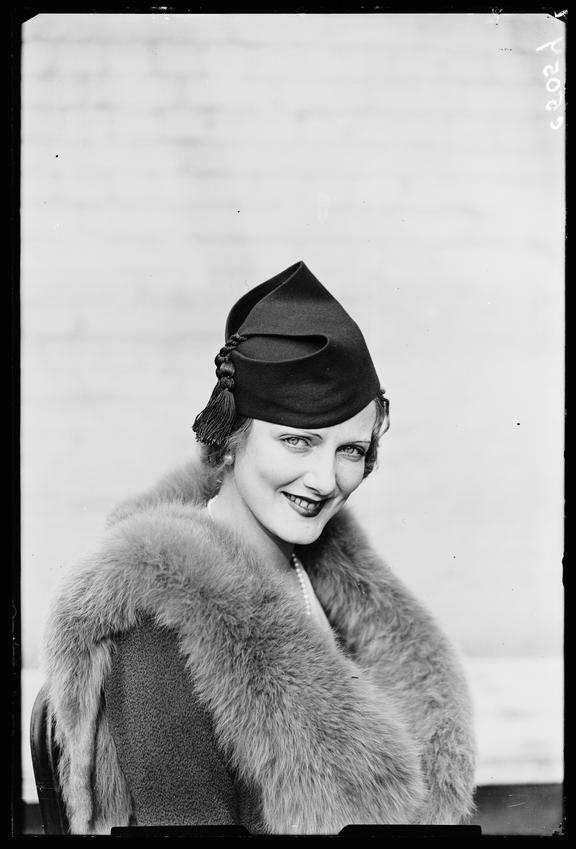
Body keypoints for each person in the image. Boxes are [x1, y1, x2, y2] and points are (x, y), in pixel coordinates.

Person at [43, 261, 476, 835]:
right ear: (232, 436)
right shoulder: (157, 634)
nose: (325, 480)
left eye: (351, 450)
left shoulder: (319, 580)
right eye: (297, 441)